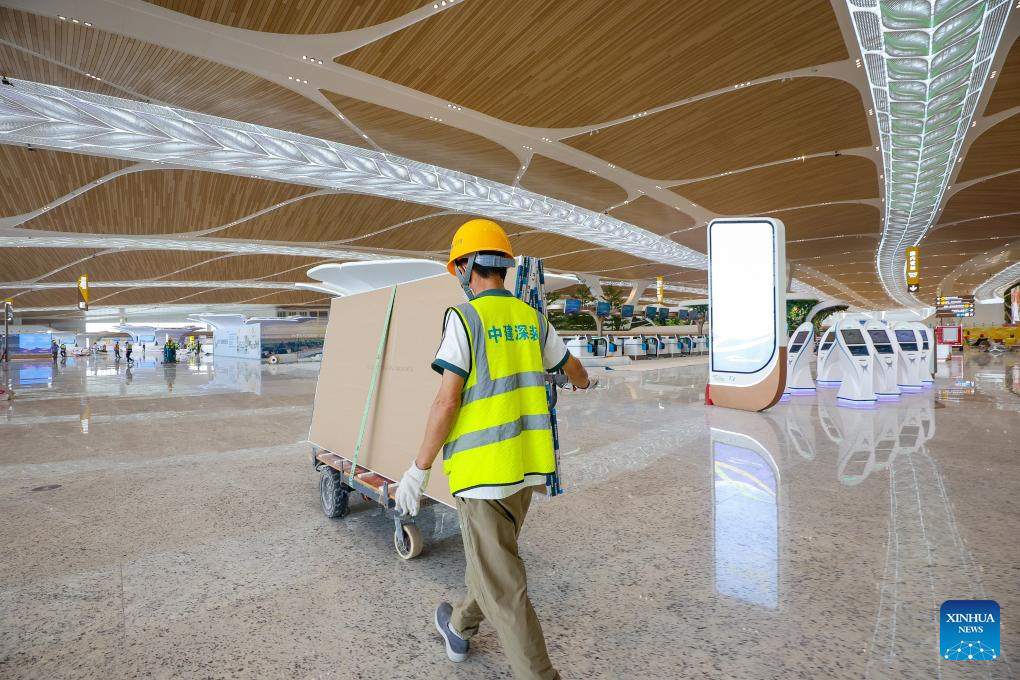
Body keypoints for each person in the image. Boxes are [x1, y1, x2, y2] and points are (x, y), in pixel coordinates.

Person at [394, 219, 594, 680]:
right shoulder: (532, 319)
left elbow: (447, 401)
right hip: (526, 471)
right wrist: (581, 381)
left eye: (456, 268)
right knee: (494, 560)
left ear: (466, 266)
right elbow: (575, 370)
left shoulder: (464, 320)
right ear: (503, 264)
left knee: (504, 585)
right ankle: (460, 626)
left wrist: (417, 469)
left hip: (483, 474)